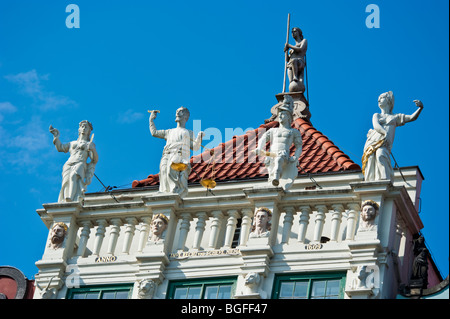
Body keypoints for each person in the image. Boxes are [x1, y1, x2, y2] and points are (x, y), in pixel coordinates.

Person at [362, 91, 423, 181]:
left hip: (385, 143)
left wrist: (420, 108)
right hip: (373, 140)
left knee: (380, 155)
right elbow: (376, 126)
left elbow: (411, 117)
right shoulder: (377, 115)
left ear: (388, 101)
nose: (379, 100)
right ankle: (370, 181)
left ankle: (384, 180)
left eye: (381, 97)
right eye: (378, 98)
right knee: (370, 159)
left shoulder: (395, 117)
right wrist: (384, 133)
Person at [149, 107, 203, 198]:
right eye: (177, 111)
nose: (177, 112)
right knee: (163, 171)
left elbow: (195, 147)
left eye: (181, 111)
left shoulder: (188, 132)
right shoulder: (169, 132)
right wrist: (151, 120)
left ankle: (174, 191)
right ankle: (164, 191)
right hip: (167, 154)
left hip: (179, 156)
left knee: (171, 171)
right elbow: (154, 133)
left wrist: (199, 138)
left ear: (186, 117)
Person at [256, 95, 302, 189]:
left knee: (278, 160)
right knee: (275, 162)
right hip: (271, 154)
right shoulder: (273, 131)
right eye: (279, 114)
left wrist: (295, 157)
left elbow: (299, 146)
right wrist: (259, 148)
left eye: (283, 114)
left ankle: (276, 179)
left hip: (283, 153)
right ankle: (274, 178)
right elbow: (263, 139)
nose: (280, 116)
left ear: (288, 117)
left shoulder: (293, 132)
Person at [49, 120, 98, 203]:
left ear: (89, 131)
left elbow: (95, 160)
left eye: (86, 127)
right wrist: (56, 136)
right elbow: (60, 147)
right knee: (66, 181)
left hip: (80, 163)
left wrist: (92, 149)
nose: (83, 128)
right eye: (82, 127)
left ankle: (71, 198)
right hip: (68, 164)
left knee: (73, 176)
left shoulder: (89, 144)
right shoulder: (72, 143)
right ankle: (65, 199)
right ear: (79, 129)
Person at [284, 27, 308, 92]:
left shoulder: (304, 41)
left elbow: (301, 49)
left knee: (294, 60)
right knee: (291, 83)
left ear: (299, 33)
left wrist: (289, 46)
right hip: (290, 65)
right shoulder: (292, 49)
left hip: (299, 62)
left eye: (294, 31)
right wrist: (286, 52)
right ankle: (293, 84)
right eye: (292, 32)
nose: (292, 33)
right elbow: (287, 59)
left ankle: (296, 76)